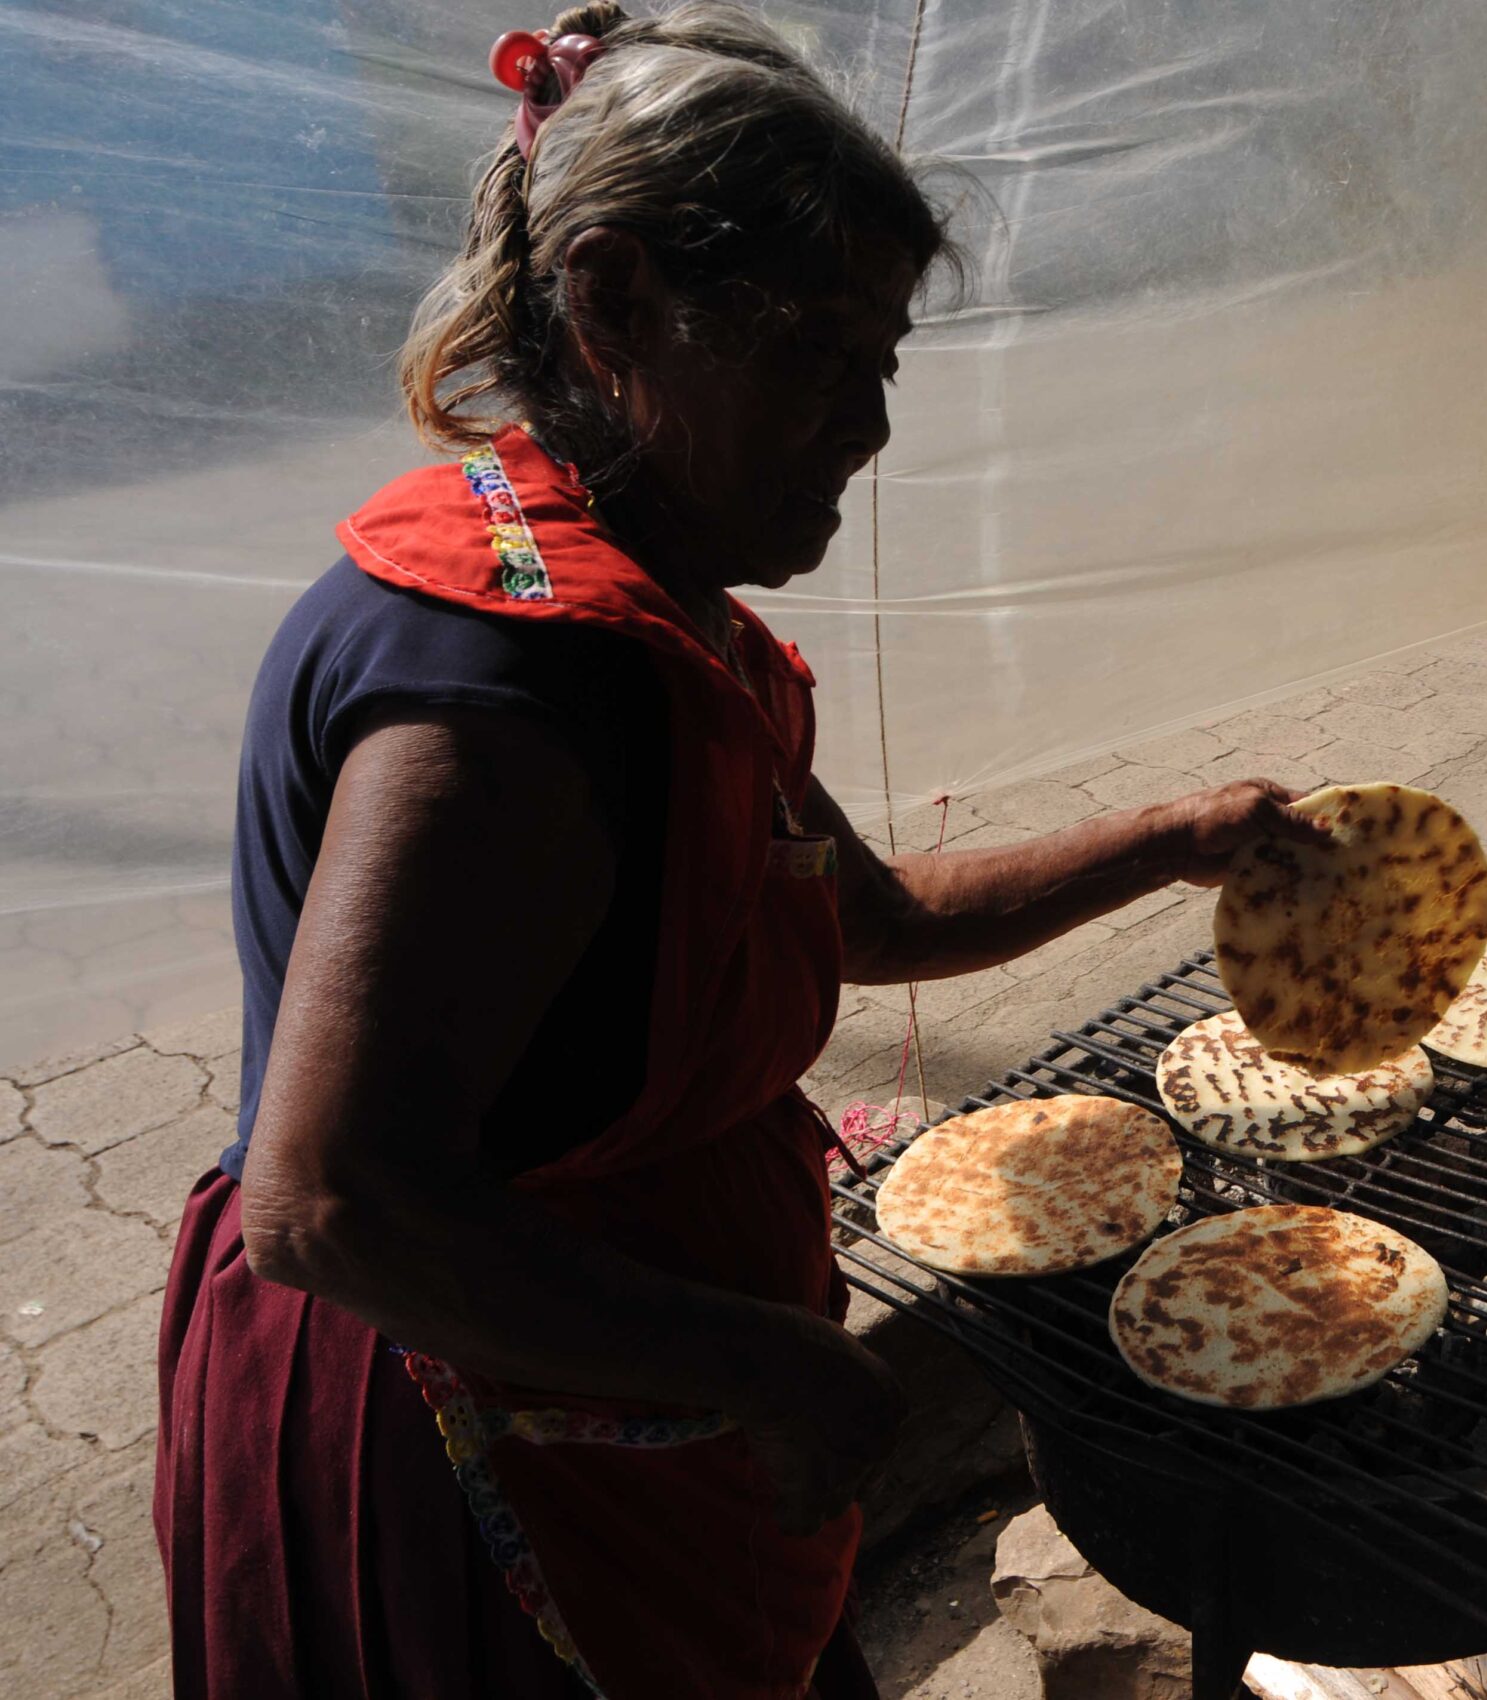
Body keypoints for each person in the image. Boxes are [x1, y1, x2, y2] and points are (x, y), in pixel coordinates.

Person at [151, 6, 1322, 1695]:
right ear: (619, 299)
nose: (869, 427)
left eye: (885, 365)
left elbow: (868, 911)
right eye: (815, 353)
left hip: (632, 1399)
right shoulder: (509, 691)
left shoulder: (655, 615)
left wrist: (1179, 837)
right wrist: (773, 1365)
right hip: (476, 1442)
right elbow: (334, 1206)